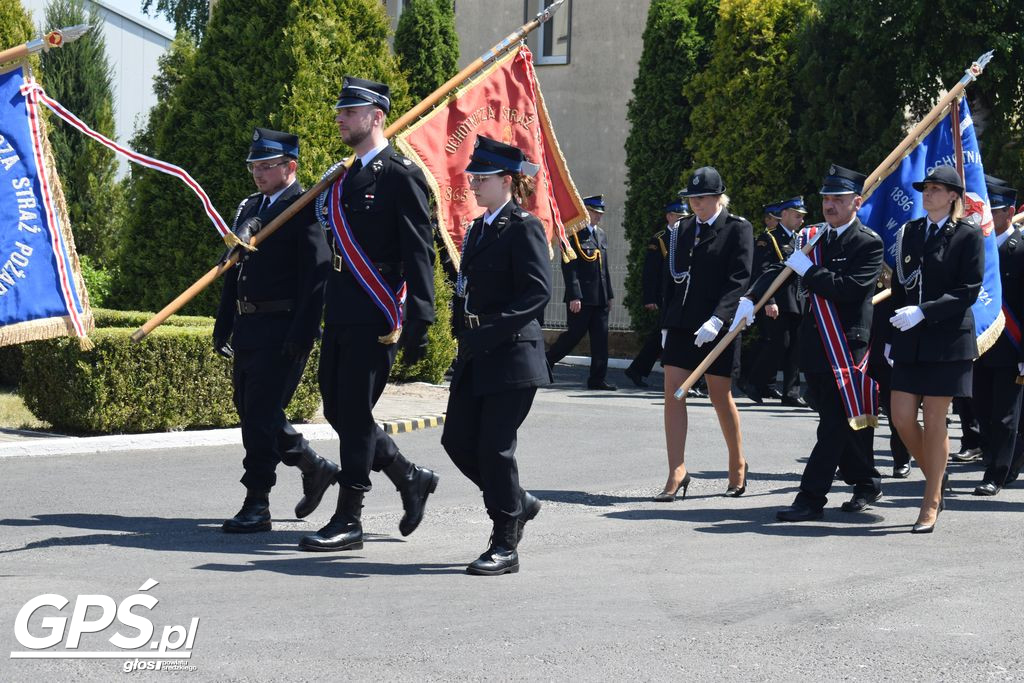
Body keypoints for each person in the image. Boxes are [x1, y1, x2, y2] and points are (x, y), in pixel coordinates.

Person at [299, 76, 438, 552]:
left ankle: (350, 517)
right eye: (340, 110)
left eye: (350, 110)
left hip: (377, 310)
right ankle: (408, 475)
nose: (340, 116)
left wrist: (422, 317)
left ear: (376, 117)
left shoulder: (400, 176)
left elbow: (420, 251)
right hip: (341, 307)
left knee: (355, 413)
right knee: (337, 409)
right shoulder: (342, 176)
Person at [734, 164, 884, 521]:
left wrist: (810, 271)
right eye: (826, 198)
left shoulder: (868, 243)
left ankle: (810, 498)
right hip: (815, 344)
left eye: (838, 198)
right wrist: (751, 297)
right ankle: (866, 480)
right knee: (838, 418)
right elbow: (778, 270)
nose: (829, 205)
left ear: (857, 203)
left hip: (846, 345)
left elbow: (848, 290)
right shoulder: (814, 238)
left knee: (831, 423)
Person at [441, 135, 551, 576]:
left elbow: (537, 292)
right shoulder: (480, 227)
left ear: (507, 181)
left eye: (481, 177)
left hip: (511, 355)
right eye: (472, 177)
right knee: (456, 440)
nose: (473, 184)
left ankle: (505, 541)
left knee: (495, 448)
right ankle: (516, 502)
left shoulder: (524, 226)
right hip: (477, 352)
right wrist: (460, 329)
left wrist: (489, 330)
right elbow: (466, 287)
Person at [214, 128, 332, 534]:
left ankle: (257, 501)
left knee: (261, 415)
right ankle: (312, 465)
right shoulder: (250, 207)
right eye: (254, 166)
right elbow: (233, 269)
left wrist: (303, 333)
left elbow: (316, 276)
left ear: (290, 166)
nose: (258, 174)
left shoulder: (306, 207)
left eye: (267, 166)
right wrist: (224, 322)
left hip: (283, 327)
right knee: (251, 412)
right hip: (249, 327)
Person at [886, 166, 984, 532]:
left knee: (935, 421)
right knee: (901, 417)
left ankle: (929, 502)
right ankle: (937, 481)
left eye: (936, 189)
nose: (928, 193)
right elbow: (900, 286)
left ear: (954, 196)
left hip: (948, 339)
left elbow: (968, 290)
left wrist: (923, 312)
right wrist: (893, 332)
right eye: (925, 188)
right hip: (911, 337)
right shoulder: (910, 232)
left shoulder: (967, 235)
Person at [657, 166, 752, 501]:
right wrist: (667, 324)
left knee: (719, 396)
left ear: (718, 198)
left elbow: (739, 279)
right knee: (674, 394)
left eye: (701, 198)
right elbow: (671, 281)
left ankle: (736, 463)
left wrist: (718, 319)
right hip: (683, 324)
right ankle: (676, 470)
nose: (695, 204)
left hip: (718, 326)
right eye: (692, 198)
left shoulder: (738, 229)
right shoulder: (681, 229)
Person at [968, 176, 1022, 496]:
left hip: (1012, 349)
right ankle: (1002, 458)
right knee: (982, 410)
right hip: (979, 345)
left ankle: (997, 473)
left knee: (1005, 415)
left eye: (992, 209)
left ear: (1009, 212)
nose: (982, 216)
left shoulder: (1021, 250)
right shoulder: (975, 248)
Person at [740, 196, 808, 407]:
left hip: (797, 301)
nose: (801, 221)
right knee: (778, 344)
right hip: (778, 301)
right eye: (797, 216)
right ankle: (753, 382)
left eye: (802, 217)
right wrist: (769, 300)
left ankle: (791, 392)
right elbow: (762, 271)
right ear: (784, 214)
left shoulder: (800, 240)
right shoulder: (768, 238)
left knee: (796, 348)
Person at [546, 195, 616, 390]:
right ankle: (547, 361)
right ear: (585, 211)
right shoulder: (573, 235)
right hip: (582, 298)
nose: (598, 217)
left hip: (600, 297)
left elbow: (605, 268)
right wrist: (574, 295)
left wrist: (609, 295)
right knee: (573, 336)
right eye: (595, 213)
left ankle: (597, 379)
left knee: (601, 340)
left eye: (600, 213)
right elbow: (570, 268)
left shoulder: (601, 235)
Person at [625, 199, 691, 389]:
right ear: (669, 217)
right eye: (678, 217)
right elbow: (651, 271)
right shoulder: (661, 239)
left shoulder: (685, 237)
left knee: (661, 335)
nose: (681, 221)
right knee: (667, 333)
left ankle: (637, 369)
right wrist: (650, 297)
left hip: (681, 294)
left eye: (684, 218)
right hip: (666, 295)